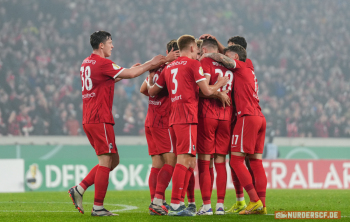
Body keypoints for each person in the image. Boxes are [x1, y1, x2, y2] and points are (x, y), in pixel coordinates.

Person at [68, 30, 166, 217]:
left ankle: (79, 189)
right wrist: (151, 63)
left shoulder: (86, 63)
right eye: (110, 42)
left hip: (90, 118)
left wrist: (128, 70)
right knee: (106, 161)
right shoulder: (102, 62)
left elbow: (104, 80)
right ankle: (98, 207)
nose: (112, 45)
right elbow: (131, 74)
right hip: (100, 118)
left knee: (114, 161)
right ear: (102, 45)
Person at [148, 34, 228, 216]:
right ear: (192, 48)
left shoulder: (169, 68)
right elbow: (206, 90)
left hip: (173, 118)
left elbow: (152, 91)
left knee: (189, 160)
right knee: (184, 160)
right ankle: (176, 204)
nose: (198, 53)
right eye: (197, 50)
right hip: (187, 117)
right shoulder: (193, 64)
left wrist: (152, 77)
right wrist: (219, 85)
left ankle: (176, 201)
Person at [201, 45, 267, 215]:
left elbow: (225, 59)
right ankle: (262, 205)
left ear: (236, 57)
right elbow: (227, 56)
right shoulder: (250, 67)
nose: (224, 58)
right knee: (256, 162)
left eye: (228, 55)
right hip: (260, 117)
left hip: (247, 117)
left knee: (236, 161)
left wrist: (209, 54)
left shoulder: (240, 65)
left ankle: (254, 200)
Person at [139, 39, 180, 215]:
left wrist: (150, 77)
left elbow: (143, 90)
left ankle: (155, 202)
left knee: (157, 163)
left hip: (150, 120)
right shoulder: (171, 70)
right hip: (163, 121)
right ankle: (157, 202)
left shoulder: (156, 66)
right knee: (172, 161)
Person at [196, 38, 232, 215]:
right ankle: (220, 206)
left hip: (208, 115)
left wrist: (216, 92)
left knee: (204, 160)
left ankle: (206, 205)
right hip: (226, 116)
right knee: (220, 161)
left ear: (203, 50)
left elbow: (205, 89)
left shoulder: (205, 61)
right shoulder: (228, 64)